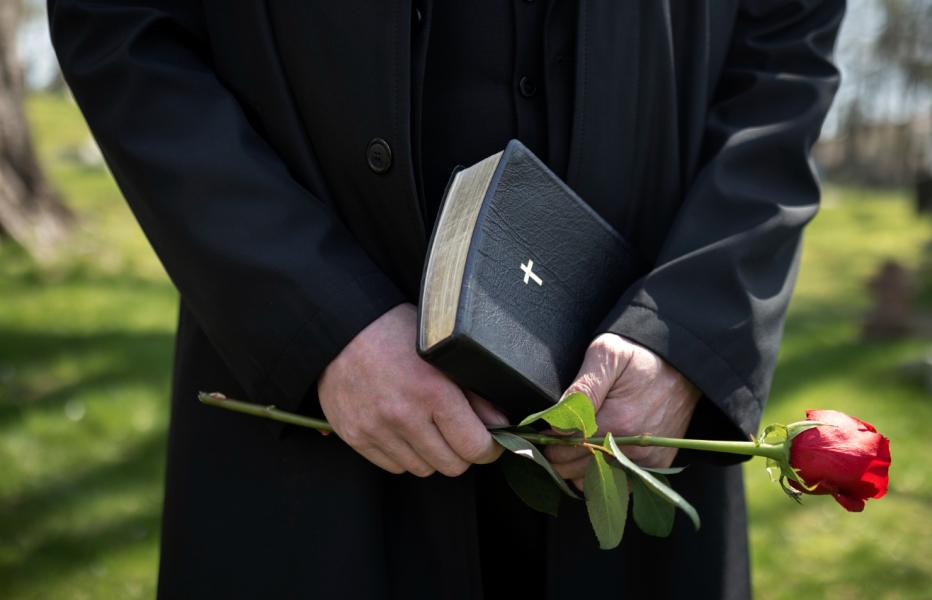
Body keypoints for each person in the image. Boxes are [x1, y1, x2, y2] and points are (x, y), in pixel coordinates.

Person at [49, 0, 845, 597]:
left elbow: (787, 44)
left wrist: (686, 331)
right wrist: (316, 316)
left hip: (633, 430)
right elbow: (119, 23)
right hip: (320, 449)